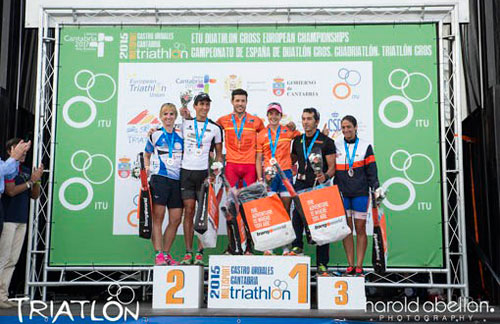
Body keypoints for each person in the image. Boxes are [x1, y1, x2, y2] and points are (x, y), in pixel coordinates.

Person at [216, 89, 265, 254]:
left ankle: (249, 247)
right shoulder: (222, 120)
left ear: (246, 102)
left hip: (250, 167)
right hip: (231, 166)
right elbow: (208, 132)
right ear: (232, 101)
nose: (240, 104)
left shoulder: (256, 121)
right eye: (237, 101)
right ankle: (232, 246)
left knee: (249, 207)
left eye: (243, 101)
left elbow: (268, 138)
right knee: (230, 208)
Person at [289, 108, 336, 276]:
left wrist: (325, 176)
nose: (306, 122)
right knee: (297, 217)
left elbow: (332, 168)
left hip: (318, 185)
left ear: (316, 121)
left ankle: (322, 264)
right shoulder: (297, 140)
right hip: (300, 183)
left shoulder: (326, 141)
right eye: (303, 119)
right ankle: (297, 246)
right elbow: (291, 160)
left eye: (309, 119)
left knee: (321, 224)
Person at [334, 115, 381, 277]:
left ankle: (359, 265)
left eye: (349, 127)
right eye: (343, 128)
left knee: (360, 228)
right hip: (343, 193)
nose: (346, 130)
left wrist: (376, 188)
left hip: (360, 192)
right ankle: (350, 265)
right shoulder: (336, 145)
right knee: (347, 229)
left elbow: (372, 171)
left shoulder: (365, 146)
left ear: (355, 128)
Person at [179, 93, 223, 265]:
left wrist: (216, 170)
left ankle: (199, 253)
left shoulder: (215, 128)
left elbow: (219, 155)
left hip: (204, 176)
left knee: (201, 214)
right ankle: (188, 252)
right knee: (188, 210)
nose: (204, 107)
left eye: (207, 104)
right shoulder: (185, 123)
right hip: (186, 173)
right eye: (201, 104)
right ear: (195, 106)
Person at [0, 138, 42, 309]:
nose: (24, 154)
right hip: (8, 218)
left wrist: (37, 180)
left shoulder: (24, 170)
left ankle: (2, 295)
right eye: (21, 150)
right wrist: (30, 182)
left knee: (12, 260)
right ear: (11, 150)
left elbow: (34, 195)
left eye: (25, 152)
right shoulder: (8, 169)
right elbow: (10, 191)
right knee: (3, 258)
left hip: (21, 219)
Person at [256, 102, 300, 255]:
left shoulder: (288, 131)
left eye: (276, 114)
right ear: (267, 116)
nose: (273, 116)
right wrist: (260, 178)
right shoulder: (261, 134)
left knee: (285, 210)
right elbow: (259, 157)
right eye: (271, 114)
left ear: (281, 116)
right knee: (271, 211)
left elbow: (304, 139)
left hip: (286, 174)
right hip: (269, 176)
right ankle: (270, 246)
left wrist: (293, 126)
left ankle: (286, 246)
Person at [144, 103, 184, 266]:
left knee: (175, 219)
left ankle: (166, 254)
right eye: (165, 114)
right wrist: (147, 168)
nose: (168, 117)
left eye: (171, 114)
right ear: (161, 117)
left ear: (175, 117)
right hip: (159, 179)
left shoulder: (182, 135)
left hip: (177, 181)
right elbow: (146, 155)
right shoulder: (155, 135)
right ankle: (158, 254)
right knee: (158, 218)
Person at [0, 140, 30, 239]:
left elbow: (9, 173)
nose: (23, 153)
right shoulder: (6, 163)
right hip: (9, 216)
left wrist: (16, 160)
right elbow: (2, 171)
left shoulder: (4, 162)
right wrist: (14, 157)